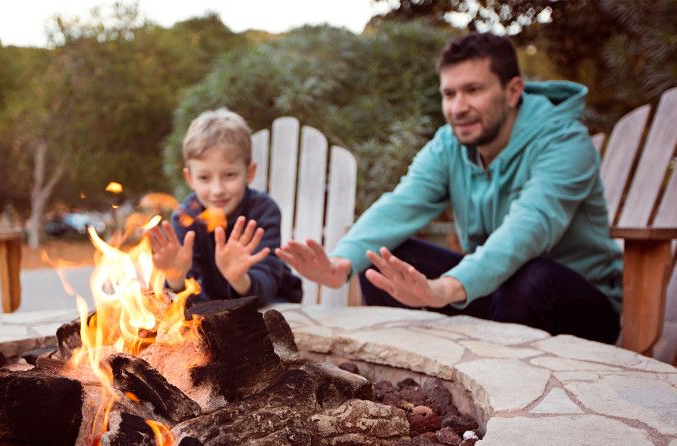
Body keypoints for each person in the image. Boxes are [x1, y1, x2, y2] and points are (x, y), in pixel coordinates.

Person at [276, 32, 622, 343]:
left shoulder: (565, 142)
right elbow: (402, 204)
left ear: (513, 91)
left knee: (531, 278)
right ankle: (409, 380)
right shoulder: (449, 145)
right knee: (381, 260)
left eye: (473, 90)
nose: (458, 108)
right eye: (449, 94)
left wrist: (445, 288)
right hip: (495, 292)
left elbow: (529, 228)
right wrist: (340, 264)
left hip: (578, 304)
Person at [148, 109, 303, 306]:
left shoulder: (264, 211)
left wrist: (239, 278)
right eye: (204, 177)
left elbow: (268, 282)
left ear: (249, 172)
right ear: (189, 178)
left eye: (229, 175)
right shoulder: (186, 217)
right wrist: (175, 277)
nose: (217, 190)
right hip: (214, 311)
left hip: (270, 307)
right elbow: (183, 301)